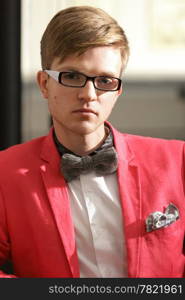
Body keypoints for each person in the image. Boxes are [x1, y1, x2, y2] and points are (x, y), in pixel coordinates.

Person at [0, 5, 184, 278]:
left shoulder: (177, 160)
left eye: (105, 80)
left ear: (117, 90)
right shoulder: (5, 172)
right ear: (44, 84)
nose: (88, 94)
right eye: (72, 76)